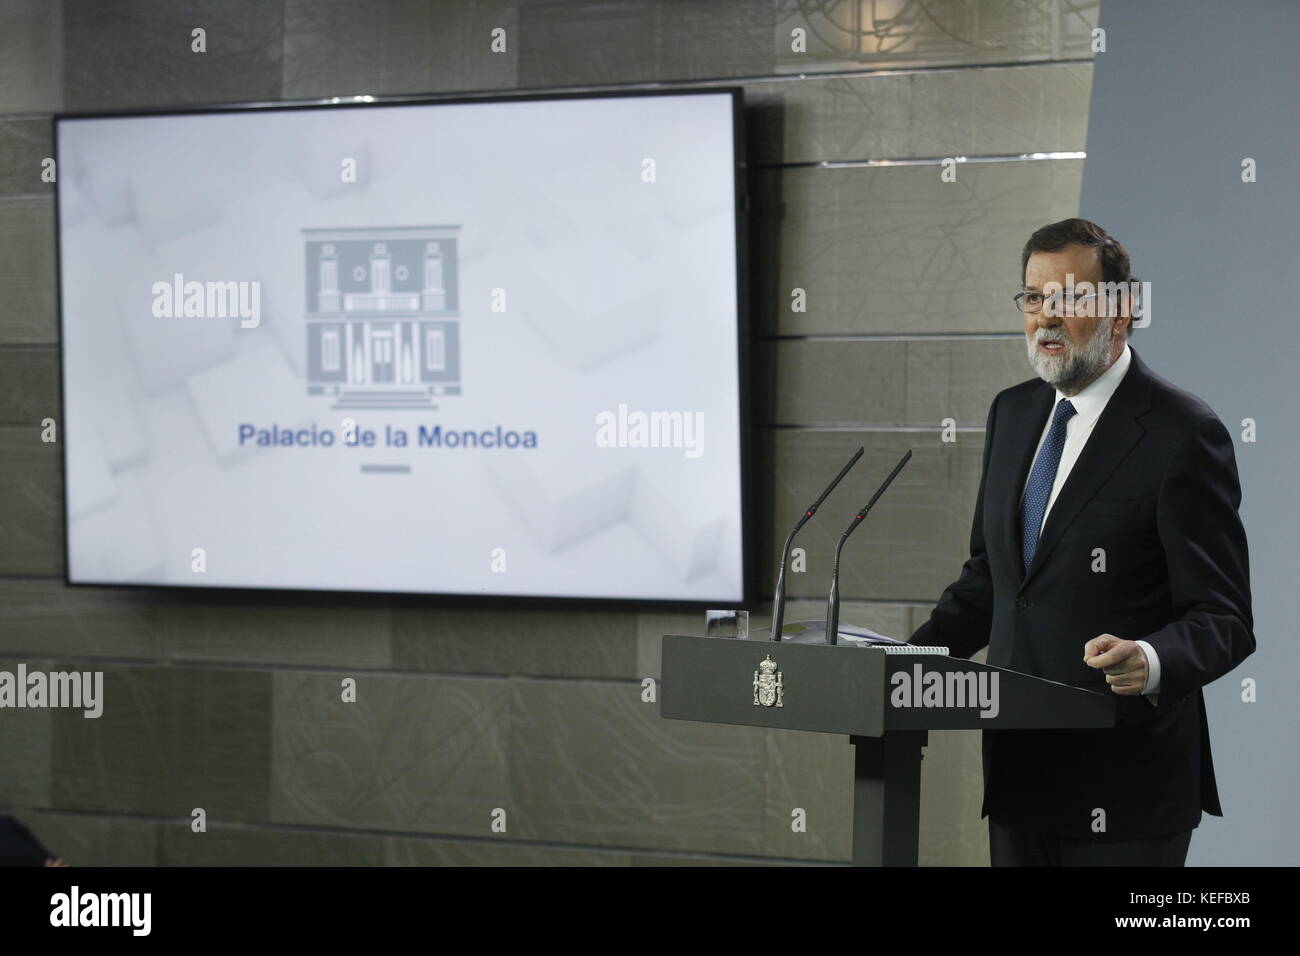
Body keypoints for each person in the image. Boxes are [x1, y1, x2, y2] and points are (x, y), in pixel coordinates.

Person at [908, 218, 1255, 866]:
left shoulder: (1182, 433)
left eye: (1068, 299)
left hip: (1127, 791)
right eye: (1033, 297)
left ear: (1121, 313)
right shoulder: (1012, 414)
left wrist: (1149, 658)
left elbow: (1226, 618)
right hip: (1020, 778)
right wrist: (904, 660)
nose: (1045, 317)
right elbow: (995, 578)